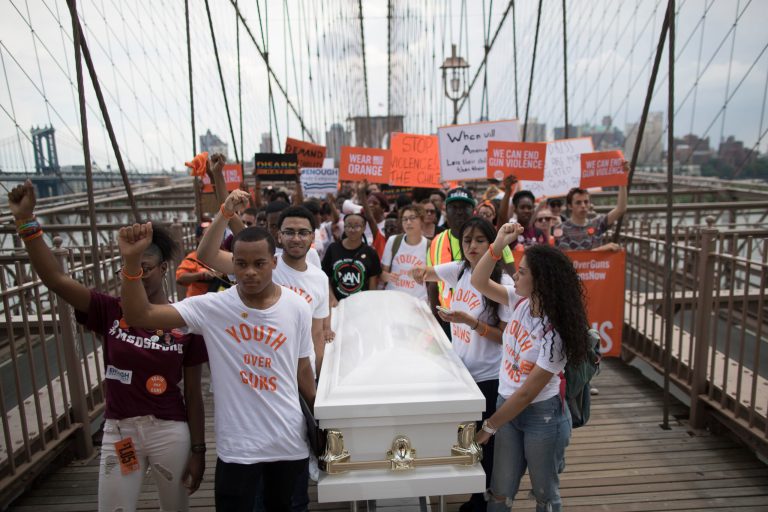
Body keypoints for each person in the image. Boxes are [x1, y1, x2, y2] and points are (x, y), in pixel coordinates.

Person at [7, 181, 208, 512]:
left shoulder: (185, 321)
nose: (139, 275)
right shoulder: (108, 310)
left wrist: (199, 451)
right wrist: (26, 222)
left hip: (169, 433)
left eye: (145, 268)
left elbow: (194, 395)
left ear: (163, 269)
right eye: (130, 267)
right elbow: (56, 281)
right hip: (121, 434)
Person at [117, 217, 316, 511]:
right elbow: (140, 315)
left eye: (259, 264)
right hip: (237, 448)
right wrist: (132, 261)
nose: (249, 272)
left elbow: (303, 371)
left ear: (274, 263)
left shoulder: (297, 306)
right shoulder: (212, 307)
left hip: (288, 443)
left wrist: (324, 421)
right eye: (241, 264)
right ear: (231, 263)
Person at [471, 224, 592, 512]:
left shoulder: (555, 331)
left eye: (523, 272)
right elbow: (479, 281)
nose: (515, 275)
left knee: (544, 494)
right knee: (499, 492)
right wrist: (498, 243)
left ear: (542, 281)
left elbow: (527, 393)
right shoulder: (520, 302)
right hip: (507, 410)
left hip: (542, 416)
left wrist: (488, 426)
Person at [412, 217, 512, 512]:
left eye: (480, 240)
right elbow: (428, 273)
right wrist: (419, 272)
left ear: (493, 243)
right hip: (463, 374)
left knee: (487, 443)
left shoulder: (503, 283)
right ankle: (475, 495)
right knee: (469, 439)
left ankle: (485, 500)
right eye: (467, 240)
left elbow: (506, 338)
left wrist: (471, 323)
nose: (472, 246)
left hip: (490, 377)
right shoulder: (460, 270)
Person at [427, 187, 515, 333]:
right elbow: (432, 284)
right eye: (454, 207)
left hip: (486, 322)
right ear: (445, 210)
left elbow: (511, 280)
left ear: (473, 210)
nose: (459, 211)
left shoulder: (496, 239)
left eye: (464, 207)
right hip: (448, 320)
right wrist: (436, 318)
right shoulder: (437, 241)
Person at [557, 167, 628, 252]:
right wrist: (601, 249)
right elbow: (570, 257)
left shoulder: (597, 223)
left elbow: (621, 209)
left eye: (586, 202)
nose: (583, 205)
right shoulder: (560, 229)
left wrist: (622, 181)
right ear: (569, 206)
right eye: (578, 202)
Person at [321, 212, 382, 301]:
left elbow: (372, 285)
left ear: (364, 228)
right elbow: (325, 277)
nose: (352, 230)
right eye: (348, 226)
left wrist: (370, 303)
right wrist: (332, 298)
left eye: (357, 226)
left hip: (360, 305)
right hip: (337, 305)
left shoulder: (370, 252)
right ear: (344, 227)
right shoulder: (333, 248)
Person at [381, 204, 429, 302]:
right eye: (404, 219)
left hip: (418, 302)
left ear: (422, 221)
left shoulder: (430, 245)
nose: (408, 222)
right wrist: (386, 276)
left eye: (412, 218)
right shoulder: (393, 241)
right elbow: (382, 273)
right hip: (393, 299)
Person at [176, 220, 219, 298]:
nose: (212, 237)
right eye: (207, 235)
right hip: (198, 302)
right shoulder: (193, 257)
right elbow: (180, 278)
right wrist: (201, 275)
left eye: (215, 234)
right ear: (198, 239)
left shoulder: (226, 254)